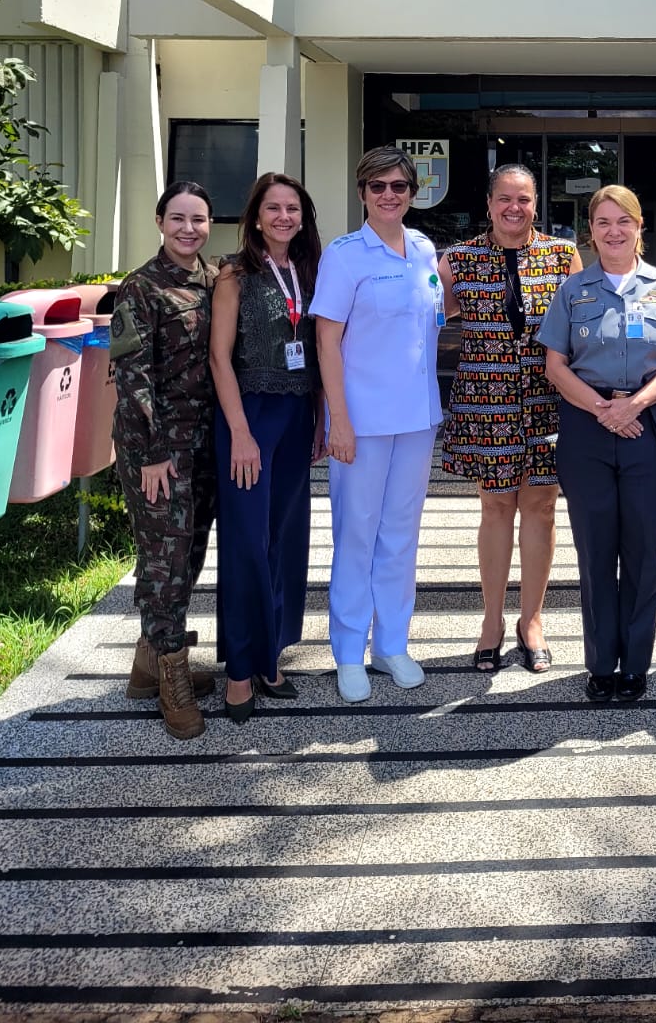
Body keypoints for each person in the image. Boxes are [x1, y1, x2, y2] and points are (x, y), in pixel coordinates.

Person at [538, 184, 656, 703]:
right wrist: (603, 409)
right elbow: (555, 365)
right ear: (591, 230)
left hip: (647, 427)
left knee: (643, 552)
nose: (614, 231)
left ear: (639, 227)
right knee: (594, 552)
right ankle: (599, 663)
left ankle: (634, 663)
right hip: (587, 429)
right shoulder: (573, 290)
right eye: (603, 222)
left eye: (623, 221)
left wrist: (634, 406)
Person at [311, 146, 444, 701]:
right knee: (356, 535)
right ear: (362, 193)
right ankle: (348, 651)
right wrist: (337, 421)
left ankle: (391, 644)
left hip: (417, 418)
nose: (389, 195)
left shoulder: (424, 249)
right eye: (378, 186)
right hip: (361, 422)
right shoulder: (345, 256)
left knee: (401, 535)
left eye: (399, 186)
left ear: (413, 193)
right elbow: (327, 342)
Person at [438, 165, 582, 672]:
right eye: (504, 198)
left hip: (546, 397)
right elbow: (432, 317)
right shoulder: (458, 259)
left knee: (541, 507)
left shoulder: (562, 256)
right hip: (487, 399)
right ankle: (492, 622)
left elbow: (578, 329)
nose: (513, 208)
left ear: (535, 204)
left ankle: (532, 620)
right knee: (496, 507)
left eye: (523, 199)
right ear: (489, 202)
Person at [210, 172, 323, 724]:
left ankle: (270, 655)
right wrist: (240, 432)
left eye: (292, 209)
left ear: (303, 218)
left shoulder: (310, 271)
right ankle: (239, 669)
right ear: (255, 217)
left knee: (285, 538)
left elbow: (318, 350)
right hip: (249, 417)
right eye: (273, 208)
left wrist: (320, 419)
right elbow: (218, 358)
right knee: (246, 542)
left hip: (297, 416)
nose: (284, 217)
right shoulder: (235, 275)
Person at [110, 180, 219, 740]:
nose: (188, 229)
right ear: (159, 222)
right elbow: (132, 376)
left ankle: (148, 664)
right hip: (157, 452)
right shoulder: (141, 288)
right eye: (178, 218)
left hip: (204, 446)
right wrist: (152, 453)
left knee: (189, 555)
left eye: (198, 219)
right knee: (164, 565)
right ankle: (172, 679)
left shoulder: (214, 280)